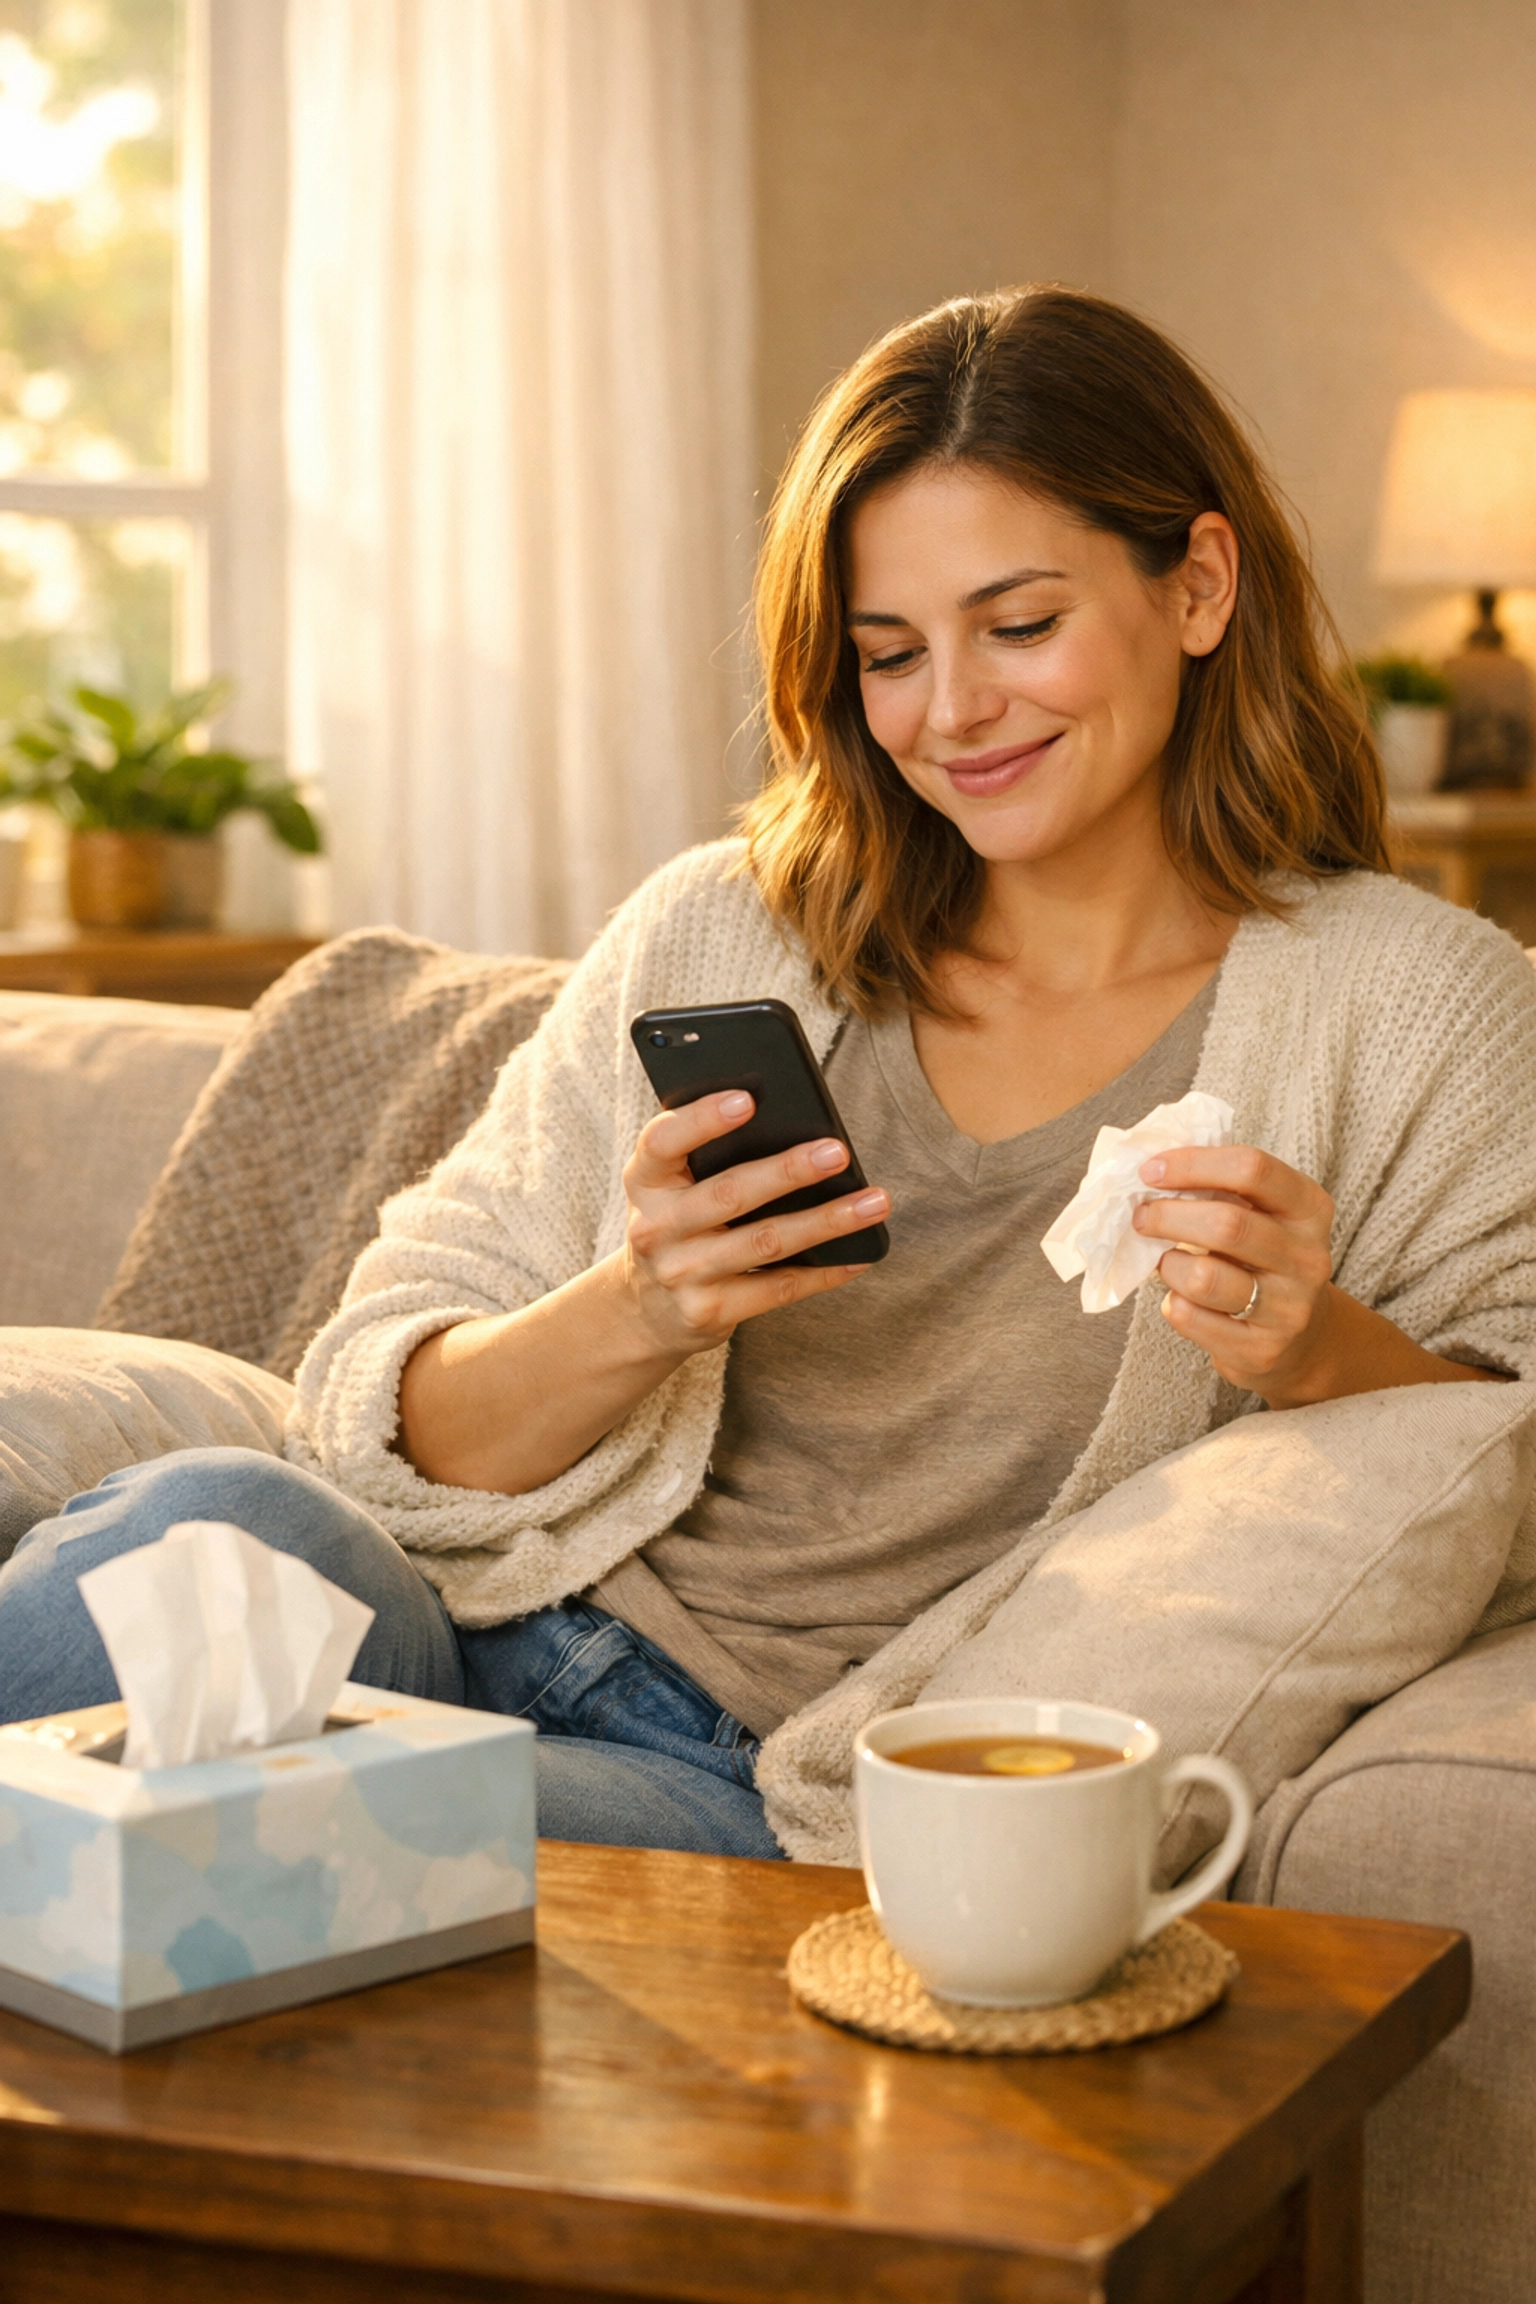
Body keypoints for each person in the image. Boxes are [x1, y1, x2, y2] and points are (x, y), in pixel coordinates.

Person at [5, 288, 1535, 1856]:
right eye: (889, 654)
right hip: (474, 1621)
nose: (953, 712)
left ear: (1199, 584)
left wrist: (1316, 1350)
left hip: (744, 1781)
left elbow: (1511, 1455)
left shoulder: (1418, 1006)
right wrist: (640, 1305)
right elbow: (375, 1425)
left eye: (1021, 627)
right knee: (212, 1520)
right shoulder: (728, 930)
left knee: (268, 1827)